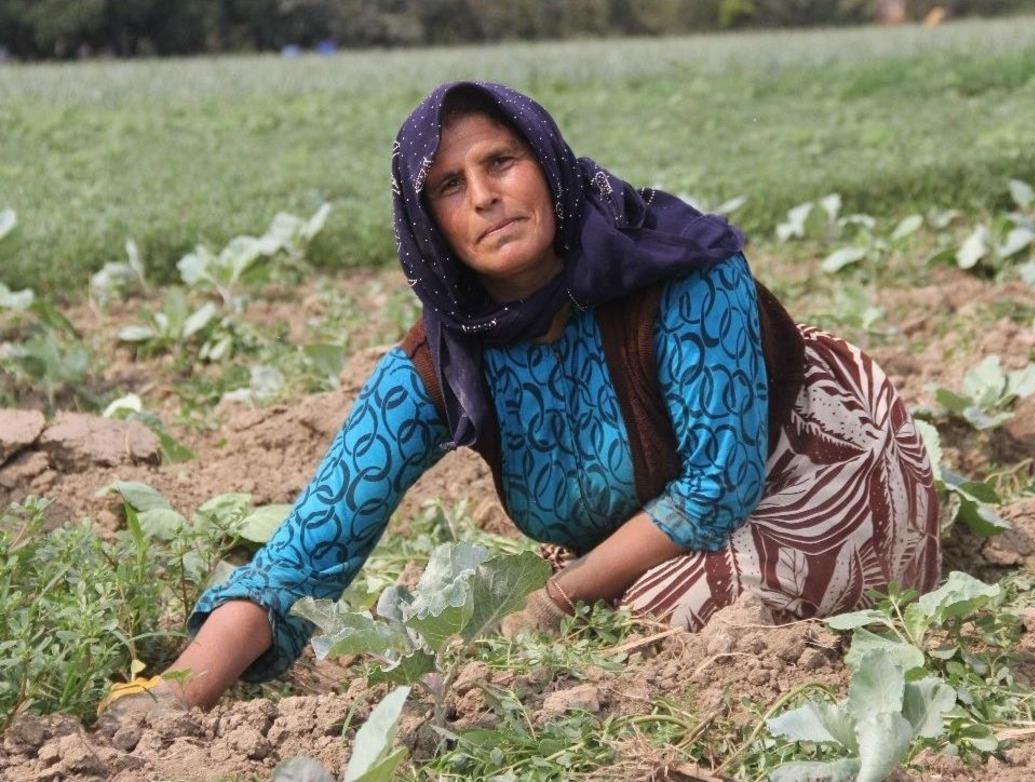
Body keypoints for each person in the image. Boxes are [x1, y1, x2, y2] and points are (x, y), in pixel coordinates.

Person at [99, 81, 940, 720]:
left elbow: (720, 486)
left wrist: (557, 597)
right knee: (617, 610)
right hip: (654, 528)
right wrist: (176, 693)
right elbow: (299, 558)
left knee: (673, 615)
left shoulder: (681, 271)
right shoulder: (440, 365)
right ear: (429, 226)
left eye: (501, 162)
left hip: (808, 461)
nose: (484, 196)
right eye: (449, 186)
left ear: (547, 161)